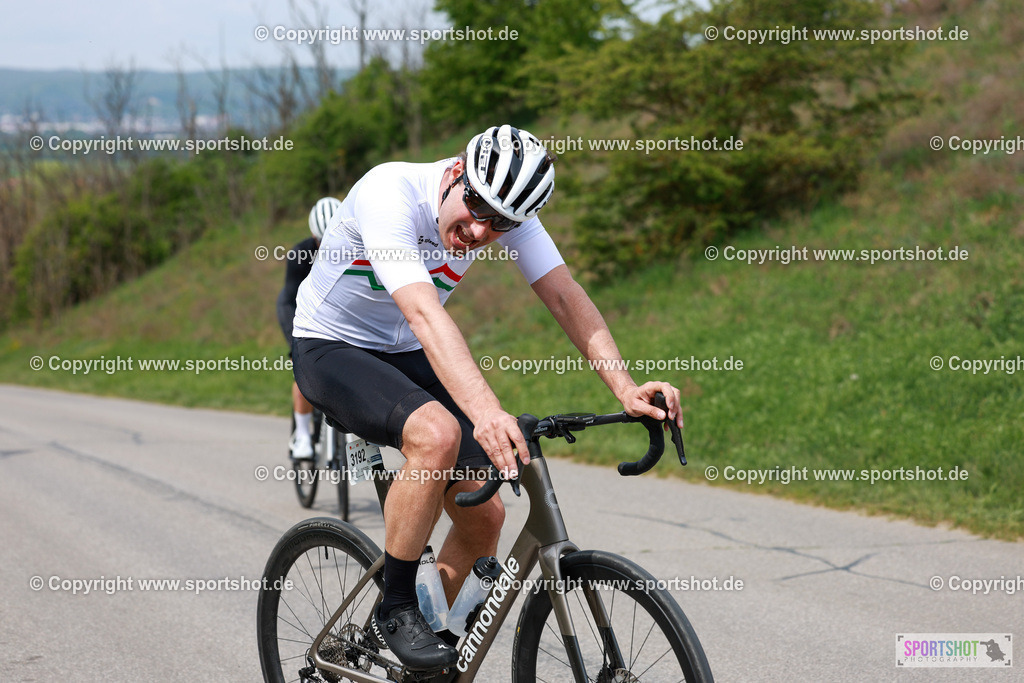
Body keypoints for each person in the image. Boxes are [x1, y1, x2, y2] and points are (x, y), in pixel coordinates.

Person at [291, 124, 684, 672]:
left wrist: (624, 386)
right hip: (332, 345)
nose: (479, 229)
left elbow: (564, 294)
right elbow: (426, 313)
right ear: (456, 172)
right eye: (475, 206)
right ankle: (396, 607)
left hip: (405, 349)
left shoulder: (504, 213)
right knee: (438, 435)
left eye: (499, 223)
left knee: (485, 517)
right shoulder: (390, 194)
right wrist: (486, 413)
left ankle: (430, 652)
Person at [277, 196, 342, 458]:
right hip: (295, 308)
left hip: (332, 310)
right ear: (314, 236)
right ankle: (302, 437)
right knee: (303, 365)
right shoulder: (299, 255)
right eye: (322, 242)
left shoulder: (354, 247)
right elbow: (293, 301)